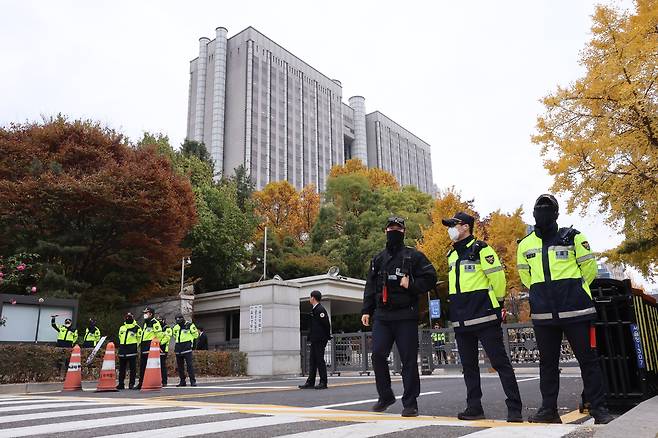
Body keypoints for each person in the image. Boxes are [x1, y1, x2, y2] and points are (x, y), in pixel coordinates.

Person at [517, 194, 613, 424]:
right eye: (539, 208)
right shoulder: (525, 244)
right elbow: (525, 276)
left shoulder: (574, 237)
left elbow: (588, 269)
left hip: (576, 311)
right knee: (547, 364)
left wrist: (575, 290)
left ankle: (599, 409)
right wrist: (541, 295)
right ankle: (548, 411)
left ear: (557, 214)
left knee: (588, 361)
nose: (543, 212)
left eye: (548, 208)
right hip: (543, 314)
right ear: (533, 213)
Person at [443, 211, 523, 422]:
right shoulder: (451, 255)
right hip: (461, 320)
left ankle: (515, 408)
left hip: (484, 317)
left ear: (466, 227)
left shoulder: (482, 249)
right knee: (468, 367)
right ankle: (474, 407)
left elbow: (497, 278)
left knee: (500, 363)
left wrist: (496, 306)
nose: (451, 229)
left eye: (454, 225)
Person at [361, 216, 437, 417]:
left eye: (398, 228)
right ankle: (385, 396)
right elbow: (370, 286)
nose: (394, 231)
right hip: (382, 316)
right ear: (385, 231)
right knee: (377, 355)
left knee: (408, 360)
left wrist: (411, 285)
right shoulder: (378, 259)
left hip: (406, 316)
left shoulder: (413, 256)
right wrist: (366, 310)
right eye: (390, 228)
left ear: (404, 231)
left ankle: (410, 403)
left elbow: (431, 278)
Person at [299, 290, 332, 390]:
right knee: (312, 360)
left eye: (310, 297)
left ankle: (323, 382)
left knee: (319, 360)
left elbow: (326, 324)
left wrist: (327, 336)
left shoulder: (320, 309)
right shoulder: (315, 309)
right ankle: (310, 382)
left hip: (320, 339)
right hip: (315, 338)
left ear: (313, 298)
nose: (309, 299)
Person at [136, 306, 162, 390]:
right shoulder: (146, 322)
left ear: (150, 314)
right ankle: (141, 382)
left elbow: (159, 335)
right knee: (142, 365)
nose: (144, 315)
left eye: (146, 313)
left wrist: (157, 345)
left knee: (150, 365)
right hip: (144, 344)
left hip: (150, 345)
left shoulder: (154, 322)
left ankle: (149, 382)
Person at [172, 313, 199, 387]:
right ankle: (182, 381)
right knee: (180, 366)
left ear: (182, 319)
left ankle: (192, 381)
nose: (178, 321)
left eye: (179, 319)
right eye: (176, 320)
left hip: (187, 347)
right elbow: (174, 335)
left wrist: (191, 343)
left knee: (189, 366)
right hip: (178, 347)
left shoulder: (190, 325)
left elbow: (196, 335)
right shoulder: (175, 327)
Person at [117, 312, 141, 390]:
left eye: (129, 317)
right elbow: (120, 336)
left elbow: (139, 339)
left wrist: (135, 346)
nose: (128, 318)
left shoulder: (137, 328)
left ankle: (131, 383)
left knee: (132, 368)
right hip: (122, 349)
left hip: (132, 349)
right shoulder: (122, 327)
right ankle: (121, 383)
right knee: (122, 368)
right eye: (127, 316)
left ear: (133, 317)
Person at [158, 316, 172, 387]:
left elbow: (167, 337)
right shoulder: (158, 328)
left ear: (163, 320)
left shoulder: (167, 328)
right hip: (156, 348)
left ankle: (164, 381)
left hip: (163, 349)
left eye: (160, 320)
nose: (159, 321)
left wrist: (159, 343)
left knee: (162, 366)